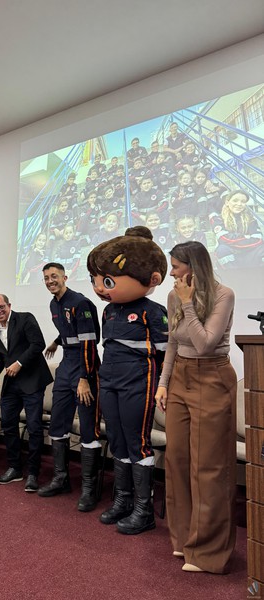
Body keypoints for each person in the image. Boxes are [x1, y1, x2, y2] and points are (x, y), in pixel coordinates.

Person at [155, 241, 237, 573]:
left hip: (212, 377)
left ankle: (208, 552)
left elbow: (204, 344)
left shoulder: (223, 295)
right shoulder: (173, 295)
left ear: (193, 267)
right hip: (180, 378)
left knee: (208, 466)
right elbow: (173, 343)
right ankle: (185, 539)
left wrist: (188, 303)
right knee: (176, 460)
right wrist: (163, 383)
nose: (171, 273)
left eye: (176, 267)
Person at [87, 227, 168, 534]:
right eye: (96, 280)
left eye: (107, 281)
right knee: (116, 439)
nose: (100, 288)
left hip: (138, 382)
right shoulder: (108, 311)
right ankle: (123, 500)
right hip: (109, 380)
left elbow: (164, 355)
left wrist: (163, 386)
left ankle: (143, 511)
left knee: (137, 442)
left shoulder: (154, 312)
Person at [38, 263, 101, 512]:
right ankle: (61, 479)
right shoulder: (54, 304)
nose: (50, 281)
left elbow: (89, 343)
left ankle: (89, 489)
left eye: (54, 276)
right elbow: (68, 329)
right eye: (46, 278)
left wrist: (85, 377)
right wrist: (56, 341)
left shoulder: (80, 302)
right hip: (66, 367)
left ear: (65, 277)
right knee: (57, 423)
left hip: (84, 367)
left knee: (87, 428)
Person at [0, 294, 53, 492]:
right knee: (8, 424)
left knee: (34, 427)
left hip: (32, 381)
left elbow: (38, 344)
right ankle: (14, 468)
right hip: (11, 384)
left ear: (9, 305)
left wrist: (19, 363)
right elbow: (0, 356)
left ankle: (33, 473)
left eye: (1, 307)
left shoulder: (25, 318)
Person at [212, 189, 264, 268]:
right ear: (227, 202)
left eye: (243, 202)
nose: (239, 204)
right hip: (230, 251)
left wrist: (235, 238)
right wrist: (246, 237)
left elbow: (258, 239)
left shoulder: (251, 219)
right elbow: (224, 239)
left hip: (249, 252)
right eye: (235, 200)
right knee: (222, 249)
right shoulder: (217, 219)